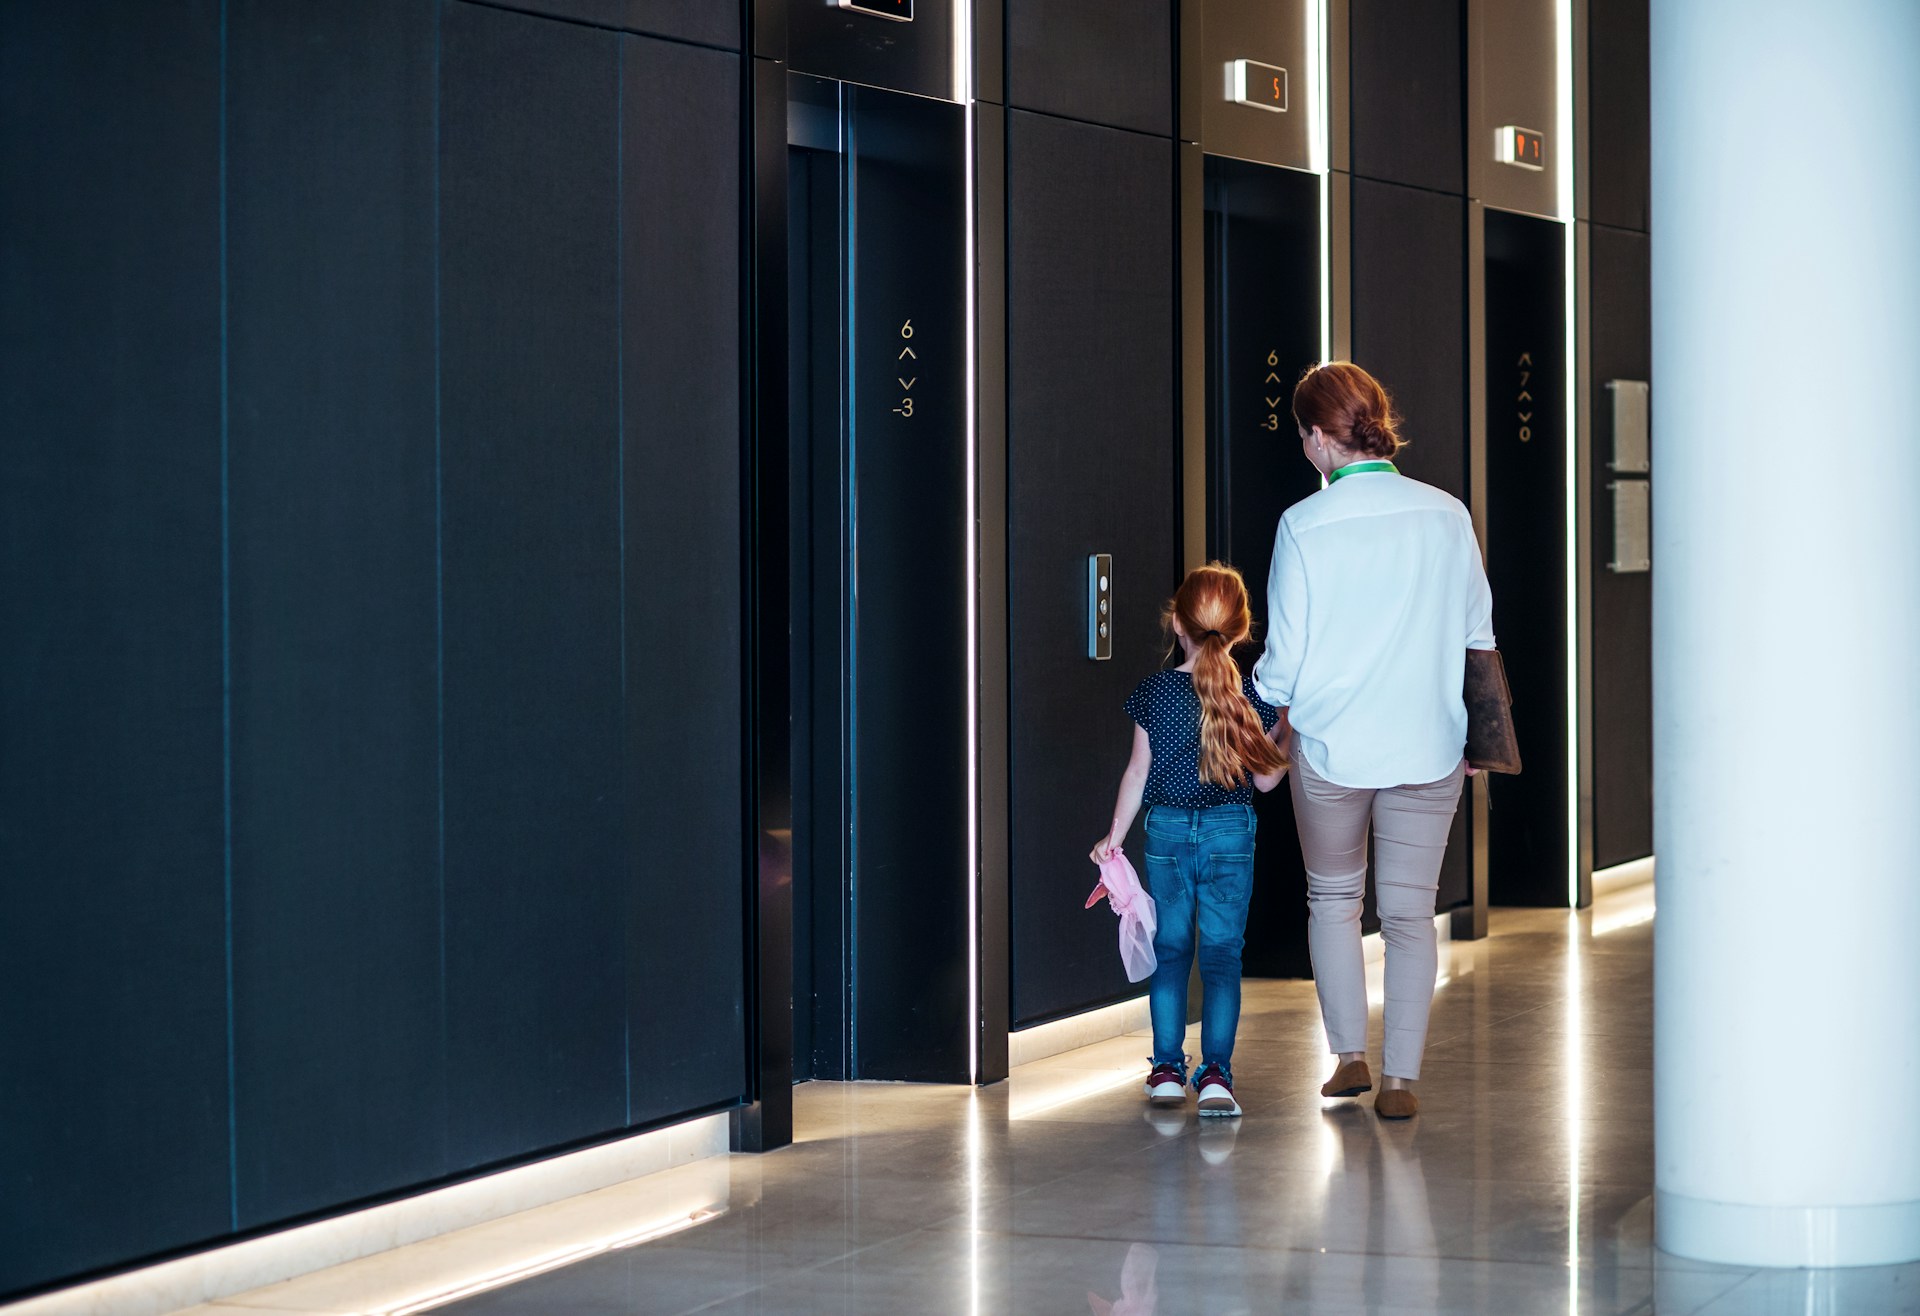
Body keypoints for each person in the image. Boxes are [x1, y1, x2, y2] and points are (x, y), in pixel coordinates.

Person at [1253, 361, 1496, 1121]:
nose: (1305, 449)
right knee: (1408, 913)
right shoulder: (1446, 514)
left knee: (1332, 898)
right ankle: (1400, 1081)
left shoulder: (1303, 525)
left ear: (1323, 439)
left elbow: (1285, 664)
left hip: (1331, 747)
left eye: (1304, 436)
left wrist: (1246, 707)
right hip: (1428, 743)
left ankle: (1348, 1058)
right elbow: (1476, 634)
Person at [1091, 563, 1289, 1118]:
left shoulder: (1154, 692)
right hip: (1231, 830)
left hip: (1167, 832)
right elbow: (1269, 781)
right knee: (1223, 957)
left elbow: (1136, 772)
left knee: (1170, 953)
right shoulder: (1253, 695)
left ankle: (1166, 1071)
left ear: (1176, 622)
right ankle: (1218, 1076)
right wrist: (1286, 725)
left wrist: (1114, 838)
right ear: (1240, 629)